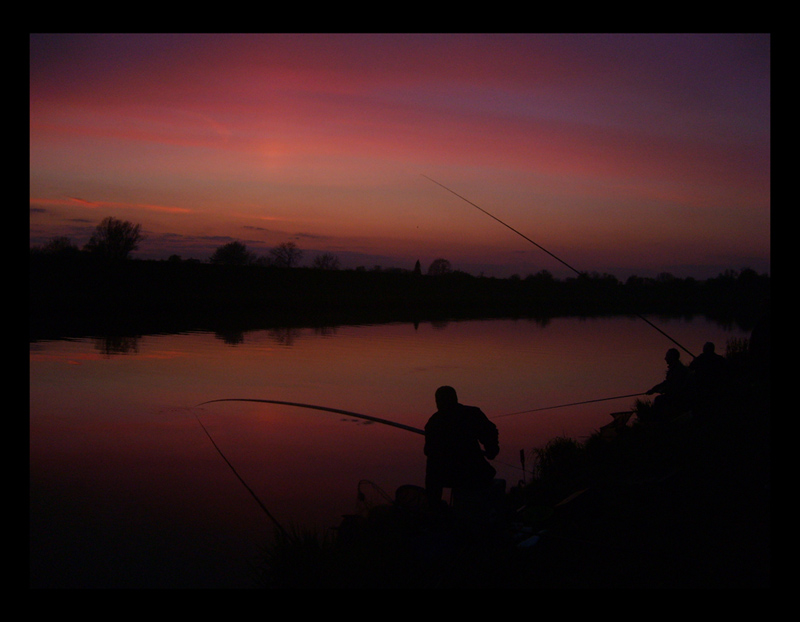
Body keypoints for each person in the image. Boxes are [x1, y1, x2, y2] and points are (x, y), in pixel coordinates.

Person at [424, 386, 499, 507]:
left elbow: (429, 452)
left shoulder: (434, 422)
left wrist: (492, 448)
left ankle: (435, 507)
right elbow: (489, 433)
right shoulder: (472, 414)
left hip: (464, 474)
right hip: (468, 474)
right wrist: (492, 449)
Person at [644, 348, 691, 421]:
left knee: (659, 400)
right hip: (678, 395)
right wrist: (654, 389)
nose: (665, 358)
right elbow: (667, 383)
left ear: (672, 357)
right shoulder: (676, 368)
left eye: (667, 356)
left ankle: (657, 422)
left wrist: (661, 390)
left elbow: (674, 386)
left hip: (679, 397)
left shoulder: (678, 370)